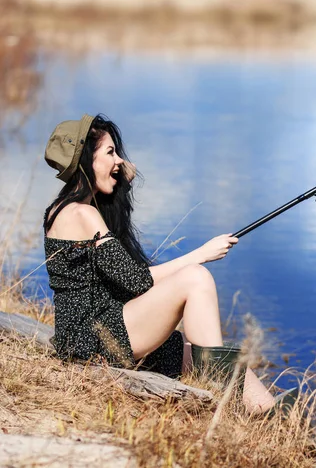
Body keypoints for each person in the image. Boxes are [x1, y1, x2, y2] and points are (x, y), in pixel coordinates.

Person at [43, 113, 297, 414]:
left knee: (209, 359)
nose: (120, 162)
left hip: (95, 331)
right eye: (110, 153)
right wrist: (201, 253)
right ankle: (225, 404)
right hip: (93, 339)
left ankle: (270, 417)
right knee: (195, 277)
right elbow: (135, 280)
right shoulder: (80, 214)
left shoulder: (67, 209)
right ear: (87, 159)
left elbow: (118, 264)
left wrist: (119, 184)